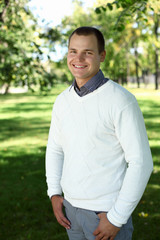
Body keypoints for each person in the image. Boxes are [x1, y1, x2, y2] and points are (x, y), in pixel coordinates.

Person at [45, 26, 153, 240]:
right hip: (71, 212)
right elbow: (56, 149)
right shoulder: (62, 101)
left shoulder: (121, 100)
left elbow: (141, 163)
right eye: (73, 51)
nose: (79, 58)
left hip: (105, 214)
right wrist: (54, 192)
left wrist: (116, 218)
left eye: (88, 52)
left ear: (101, 56)